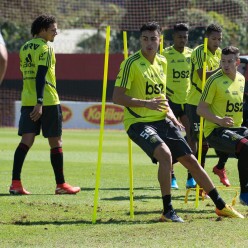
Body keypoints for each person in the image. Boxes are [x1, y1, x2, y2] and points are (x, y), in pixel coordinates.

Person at [113, 21, 244, 222]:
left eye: (153, 39)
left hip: (162, 119)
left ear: (159, 40)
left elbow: (161, 95)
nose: (149, 43)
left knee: (191, 160)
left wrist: (171, 115)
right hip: (138, 122)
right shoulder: (130, 63)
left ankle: (220, 206)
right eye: (145, 39)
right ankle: (167, 211)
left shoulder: (162, 62)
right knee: (165, 155)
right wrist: (145, 104)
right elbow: (117, 97)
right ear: (140, 40)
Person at [9, 14, 80, 195]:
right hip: (46, 101)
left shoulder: (25, 47)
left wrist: (33, 101)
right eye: (53, 30)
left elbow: (28, 75)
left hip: (27, 100)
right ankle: (61, 185)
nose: (56, 32)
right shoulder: (46, 48)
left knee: (26, 140)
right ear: (42, 30)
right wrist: (40, 103)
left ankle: (15, 184)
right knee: (56, 141)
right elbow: (41, 75)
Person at [197, 46, 248, 206]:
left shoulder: (241, 78)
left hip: (237, 130)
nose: (225, 65)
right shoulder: (214, 80)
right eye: (223, 61)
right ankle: (245, 193)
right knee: (246, 146)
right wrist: (219, 120)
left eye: (229, 61)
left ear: (237, 62)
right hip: (216, 131)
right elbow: (200, 109)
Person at [186, 24, 231, 187]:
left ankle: (219, 168)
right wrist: (221, 69)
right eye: (214, 39)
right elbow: (202, 76)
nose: (217, 42)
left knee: (225, 136)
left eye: (219, 39)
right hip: (195, 102)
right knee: (200, 143)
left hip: (213, 103)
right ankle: (195, 179)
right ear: (206, 38)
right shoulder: (199, 51)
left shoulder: (220, 53)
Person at [162, 23, 196, 189]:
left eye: (185, 37)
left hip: (188, 100)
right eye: (179, 37)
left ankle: (191, 176)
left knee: (191, 137)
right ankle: (172, 176)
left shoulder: (192, 54)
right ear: (173, 37)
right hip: (171, 101)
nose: (182, 40)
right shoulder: (165, 54)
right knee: (170, 137)